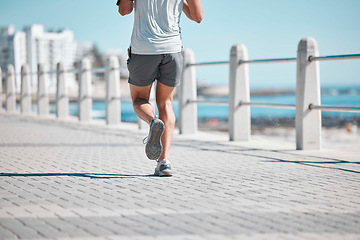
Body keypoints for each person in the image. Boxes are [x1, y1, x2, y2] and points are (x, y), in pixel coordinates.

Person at [117, 0, 203, 177]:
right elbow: (197, 17)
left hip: (143, 49)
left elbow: (124, 10)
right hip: (172, 50)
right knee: (166, 104)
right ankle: (164, 162)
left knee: (139, 100)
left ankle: (152, 122)